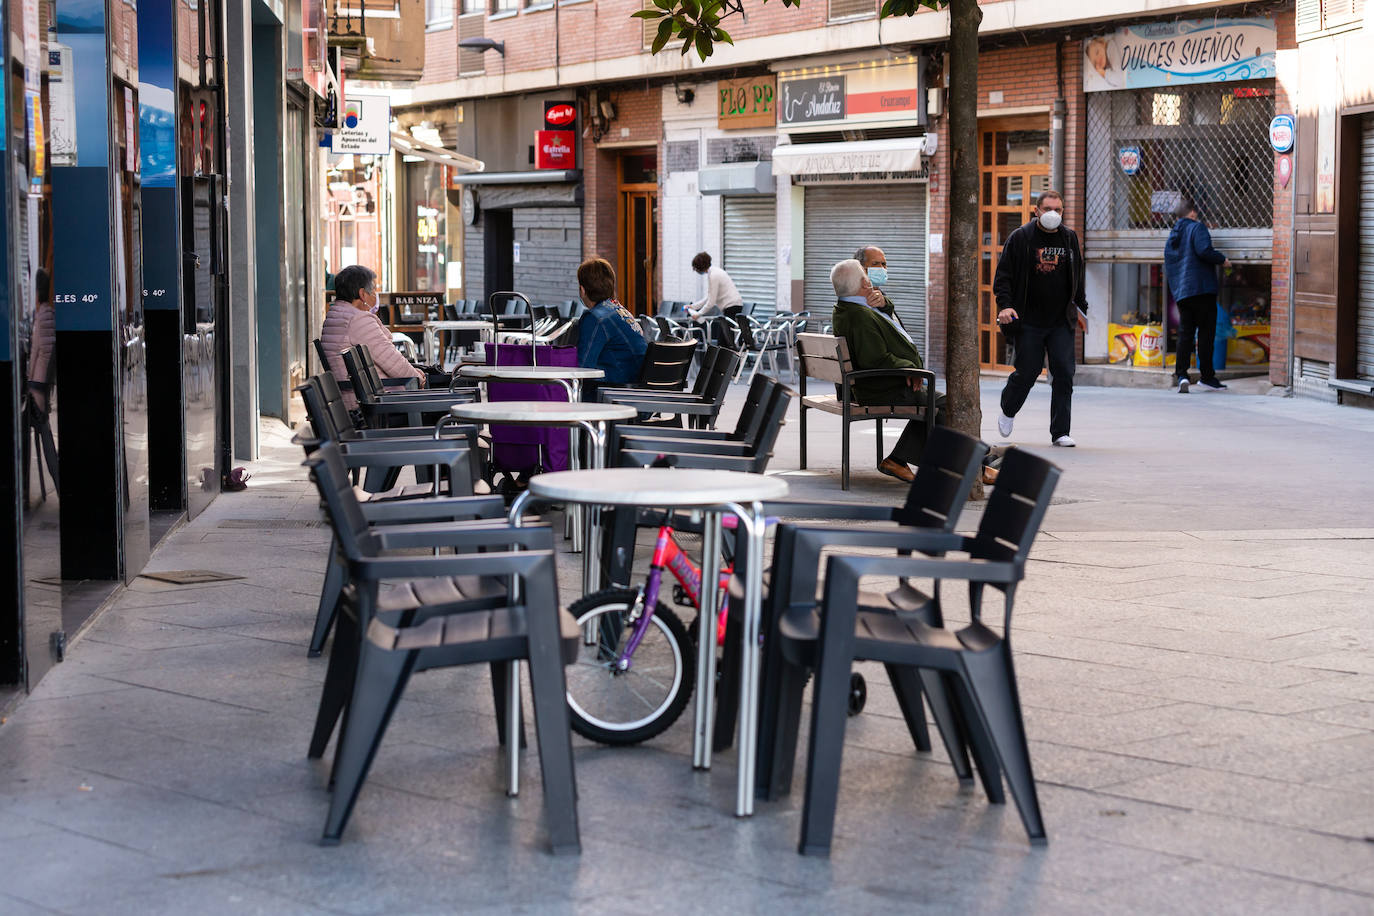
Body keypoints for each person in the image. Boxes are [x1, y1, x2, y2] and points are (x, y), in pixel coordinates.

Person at [830, 258, 945, 483]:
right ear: (864, 284)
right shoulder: (860, 315)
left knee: (936, 404)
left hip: (871, 385)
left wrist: (884, 304)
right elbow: (875, 359)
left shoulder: (849, 307)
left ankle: (901, 459)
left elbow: (890, 322)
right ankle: (955, 466)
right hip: (881, 387)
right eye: (866, 274)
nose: (871, 278)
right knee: (945, 404)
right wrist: (910, 368)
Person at [994, 190, 1088, 448]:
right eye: (1047, 209)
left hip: (1060, 320)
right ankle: (1008, 408)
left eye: (1058, 210)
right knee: (1028, 371)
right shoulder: (1021, 237)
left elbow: (1077, 275)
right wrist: (1005, 306)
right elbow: (1003, 278)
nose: (1052, 214)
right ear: (1036, 211)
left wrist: (1082, 309)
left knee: (1064, 373)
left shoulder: (1069, 238)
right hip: (1029, 321)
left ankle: (1060, 432)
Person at [320, 264, 424, 409]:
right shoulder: (357, 320)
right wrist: (418, 377)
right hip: (374, 403)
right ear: (363, 294)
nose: (375, 294)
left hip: (354, 397)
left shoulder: (336, 316)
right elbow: (392, 361)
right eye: (374, 290)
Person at [1164, 197, 1230, 393]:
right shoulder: (1196, 228)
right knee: (1206, 334)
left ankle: (1182, 375)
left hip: (1182, 292)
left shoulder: (1173, 236)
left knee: (1185, 334)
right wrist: (1223, 260)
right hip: (1201, 288)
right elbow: (1204, 250)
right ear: (1192, 212)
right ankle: (1207, 376)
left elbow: (1169, 261)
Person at [575, 257, 648, 393]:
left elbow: (581, 368)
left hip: (618, 394)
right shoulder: (621, 311)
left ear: (582, 290)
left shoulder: (596, 317)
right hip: (640, 393)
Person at [686, 252, 742, 322]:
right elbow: (709, 297)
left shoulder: (714, 275)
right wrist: (693, 306)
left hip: (731, 306)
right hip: (733, 305)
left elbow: (711, 302)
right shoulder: (714, 272)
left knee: (728, 332)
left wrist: (698, 314)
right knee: (727, 331)